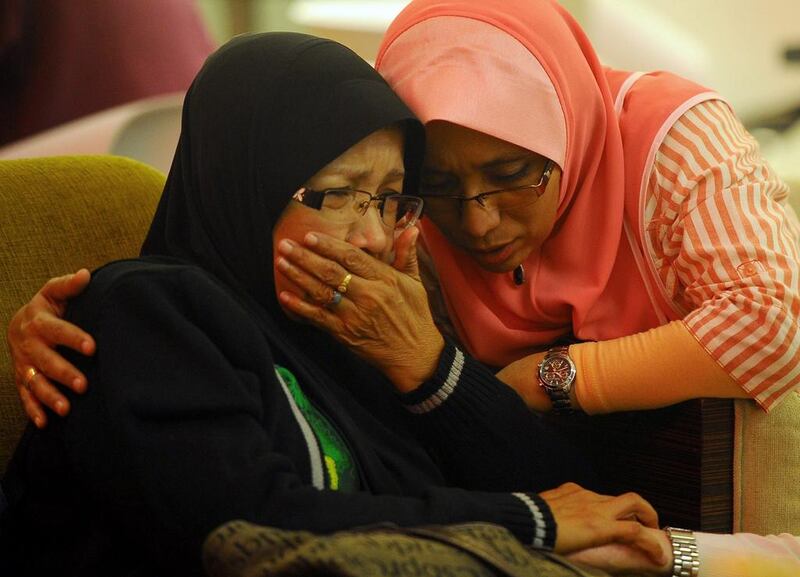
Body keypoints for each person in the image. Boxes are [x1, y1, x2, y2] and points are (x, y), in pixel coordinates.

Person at [0, 32, 665, 576]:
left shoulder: (341, 329)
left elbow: (578, 495)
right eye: (340, 193)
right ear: (247, 184)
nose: (374, 235)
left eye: (389, 198)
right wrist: (531, 522)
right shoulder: (147, 313)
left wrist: (428, 368)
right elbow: (250, 525)